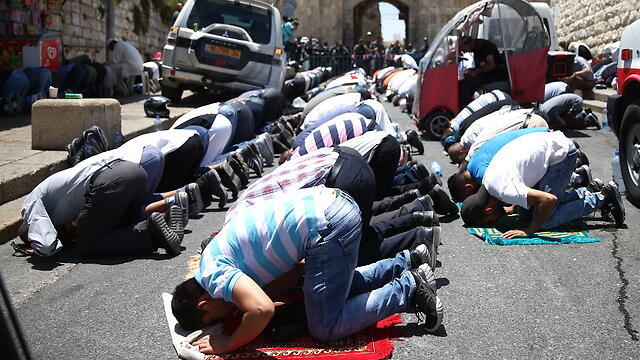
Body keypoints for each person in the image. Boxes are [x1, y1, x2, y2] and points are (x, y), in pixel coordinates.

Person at [171, 186, 443, 354]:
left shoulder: (213, 275)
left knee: (325, 326)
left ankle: (408, 291)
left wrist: (228, 343)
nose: (224, 318)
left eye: (212, 321)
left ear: (204, 302)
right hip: (331, 205)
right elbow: (275, 287)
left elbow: (262, 309)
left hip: (327, 225)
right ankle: (408, 262)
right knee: (336, 290)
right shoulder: (212, 258)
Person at [18, 146, 187, 258]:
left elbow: (47, 246)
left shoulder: (31, 207)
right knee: (117, 226)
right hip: (134, 171)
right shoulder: (52, 197)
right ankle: (166, 219)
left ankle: (151, 233)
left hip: (111, 181)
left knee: (86, 245)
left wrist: (37, 250)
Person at [460, 131, 625, 235]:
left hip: (561, 154)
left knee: (545, 220)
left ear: (488, 209)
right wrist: (514, 207)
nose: (494, 222)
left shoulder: (503, 189)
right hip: (547, 144)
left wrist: (530, 230)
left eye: (490, 221)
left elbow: (548, 199)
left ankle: (604, 197)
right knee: (528, 213)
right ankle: (587, 191)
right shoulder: (488, 180)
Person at [457, 36, 509, 109]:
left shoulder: (485, 47)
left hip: (496, 74)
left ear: (468, 44)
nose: (464, 52)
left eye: (463, 49)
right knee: (463, 81)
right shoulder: (476, 48)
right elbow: (482, 65)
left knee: (465, 84)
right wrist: (472, 70)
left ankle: (465, 108)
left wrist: (476, 72)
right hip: (488, 74)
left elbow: (491, 65)